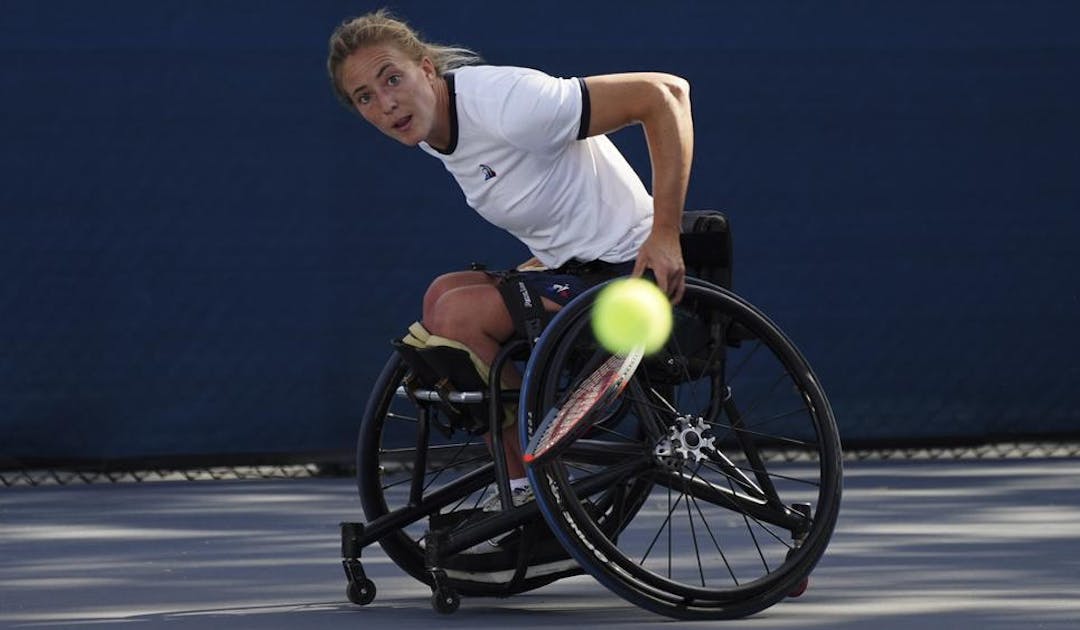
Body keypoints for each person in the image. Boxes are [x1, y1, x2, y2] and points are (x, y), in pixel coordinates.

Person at [327, 9, 692, 508]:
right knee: (443, 295)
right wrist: (545, 260)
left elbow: (665, 94)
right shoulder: (436, 135)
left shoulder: (506, 104)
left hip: (631, 277)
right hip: (579, 271)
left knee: (459, 314)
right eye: (364, 97)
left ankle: (540, 489)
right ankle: (525, 485)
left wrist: (666, 232)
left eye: (393, 78)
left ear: (427, 69)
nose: (386, 103)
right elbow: (556, 193)